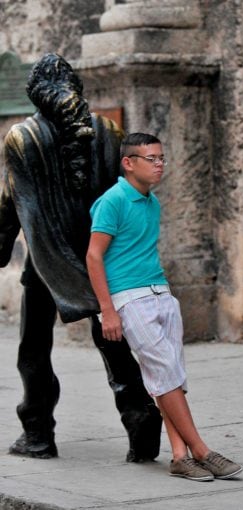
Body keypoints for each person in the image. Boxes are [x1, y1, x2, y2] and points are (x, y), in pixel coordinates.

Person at [0, 53, 161, 461]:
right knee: (113, 338)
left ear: (36, 95)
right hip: (99, 252)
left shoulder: (22, 137)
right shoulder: (108, 131)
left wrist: (2, 244)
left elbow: (15, 200)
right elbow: (122, 195)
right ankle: (140, 419)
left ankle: (37, 433)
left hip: (46, 257)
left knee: (34, 346)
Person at [86, 132, 243, 482]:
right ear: (128, 163)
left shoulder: (151, 202)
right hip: (129, 299)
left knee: (170, 377)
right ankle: (202, 450)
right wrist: (107, 311)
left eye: (161, 158)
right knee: (165, 373)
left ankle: (178, 455)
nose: (159, 165)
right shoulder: (112, 201)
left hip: (161, 294)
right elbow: (94, 256)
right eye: (151, 159)